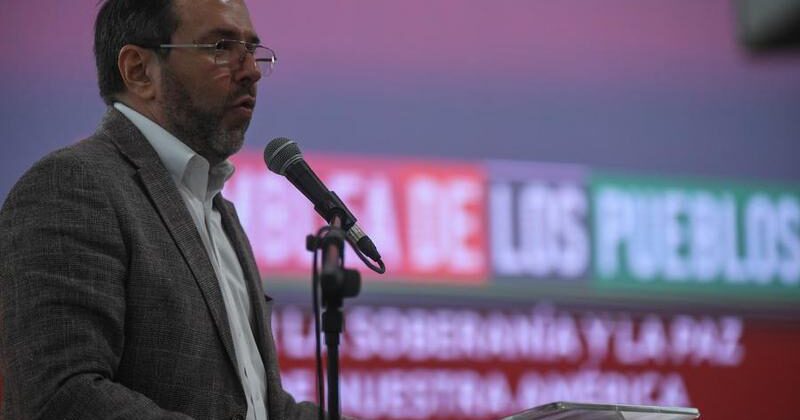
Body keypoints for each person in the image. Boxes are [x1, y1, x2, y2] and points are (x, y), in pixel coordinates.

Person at [0, 0, 320, 418]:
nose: (251, 71)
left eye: (251, 49)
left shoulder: (217, 210)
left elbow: (260, 408)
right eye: (221, 47)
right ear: (138, 70)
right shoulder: (71, 186)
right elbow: (60, 396)